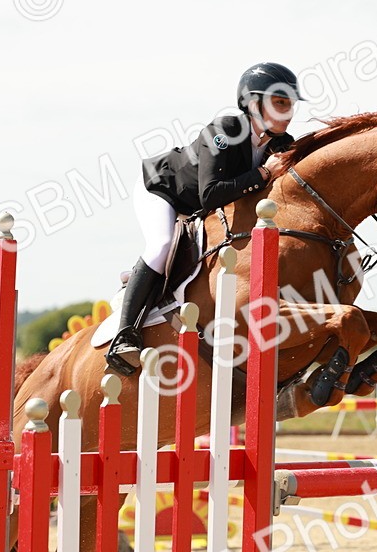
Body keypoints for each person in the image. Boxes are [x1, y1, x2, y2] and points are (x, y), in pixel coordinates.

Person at [106, 62, 304, 375]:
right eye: (280, 102)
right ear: (253, 103)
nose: (288, 111)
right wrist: (264, 172)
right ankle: (125, 335)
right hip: (164, 190)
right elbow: (211, 194)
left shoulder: (281, 143)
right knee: (161, 245)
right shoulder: (224, 130)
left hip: (200, 204)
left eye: (291, 104)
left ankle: (140, 280)